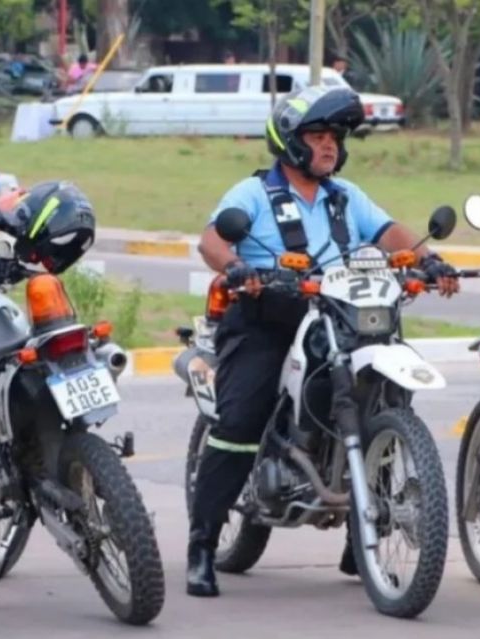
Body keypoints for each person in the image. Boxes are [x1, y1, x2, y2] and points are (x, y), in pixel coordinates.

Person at [186, 85, 460, 598]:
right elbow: (212, 240)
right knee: (241, 419)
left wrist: (428, 262)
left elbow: (390, 233)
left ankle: (362, 537)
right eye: (318, 135)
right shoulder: (252, 195)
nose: (330, 145)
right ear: (291, 142)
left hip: (343, 317)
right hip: (269, 319)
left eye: (334, 136)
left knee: (384, 395)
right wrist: (237, 267)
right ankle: (201, 545)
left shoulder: (344, 196)